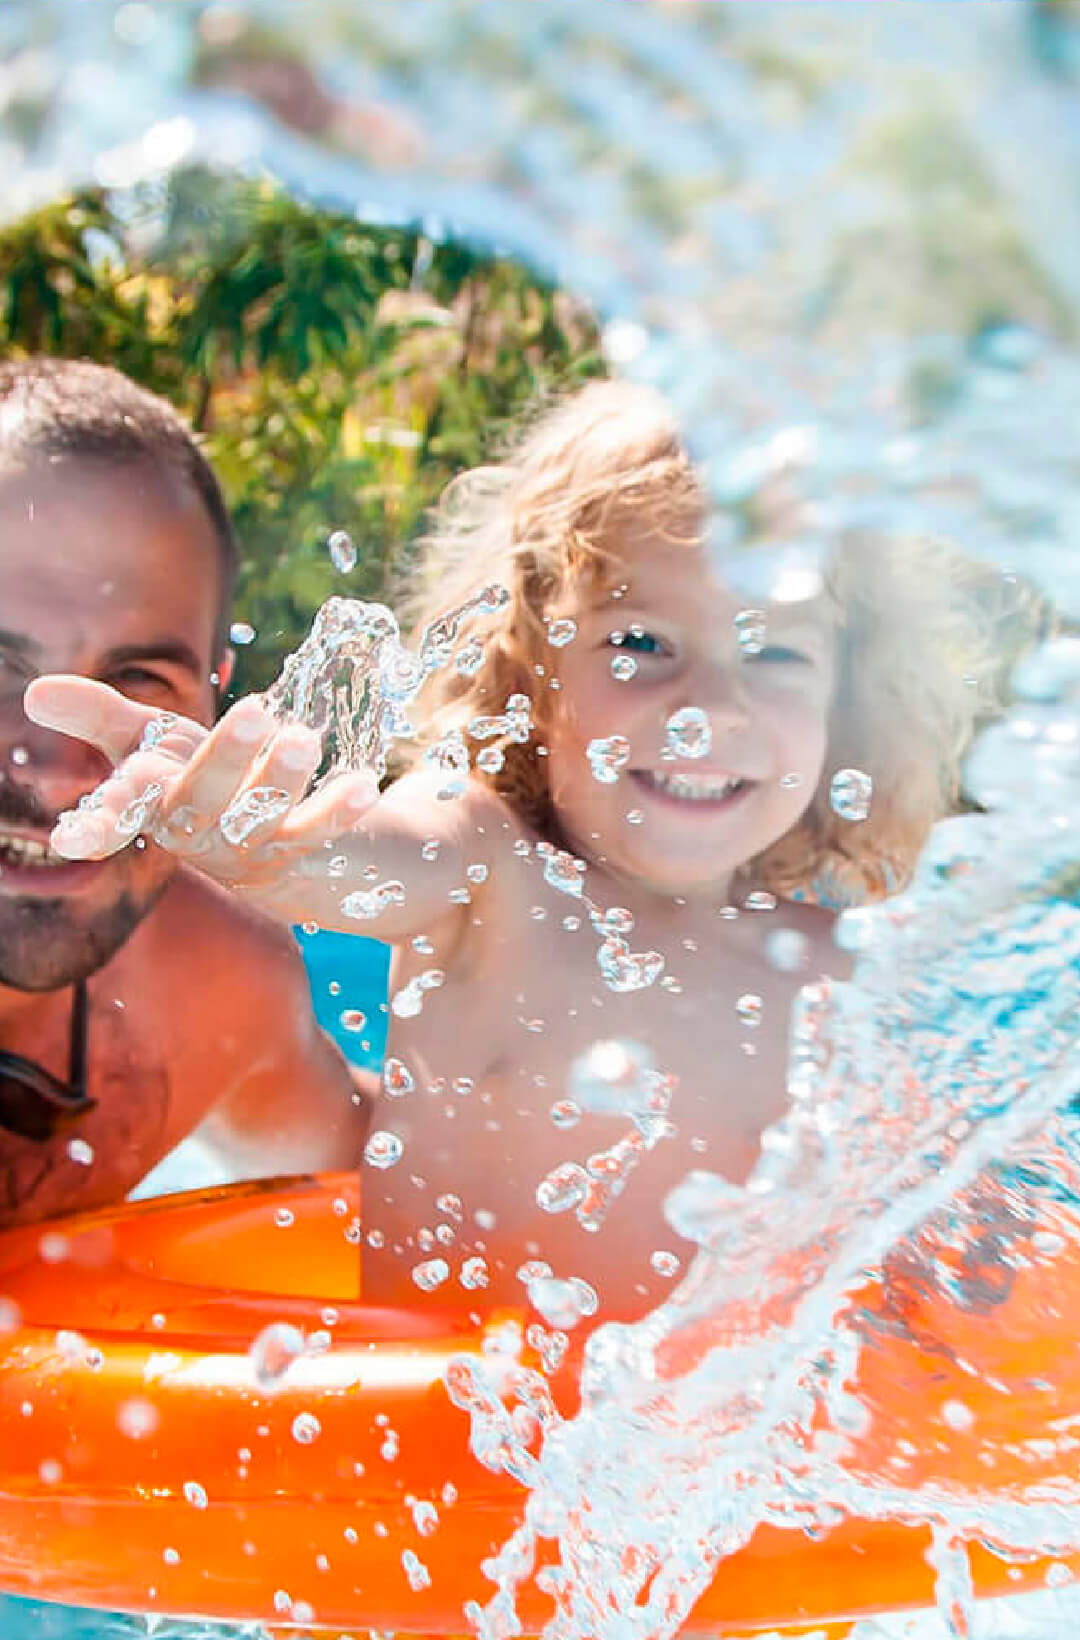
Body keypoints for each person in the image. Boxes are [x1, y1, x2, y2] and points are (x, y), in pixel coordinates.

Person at [28, 380, 990, 1316]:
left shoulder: (840, 978)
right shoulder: (492, 867)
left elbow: (912, 1264)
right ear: (535, 663)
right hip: (445, 1450)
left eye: (775, 654)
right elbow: (370, 859)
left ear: (846, 702)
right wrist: (266, 844)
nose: (707, 709)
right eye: (642, 643)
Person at [0, 355, 367, 1228]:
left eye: (136, 680)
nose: (57, 765)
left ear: (214, 699)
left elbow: (420, 1195)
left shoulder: (209, 990)